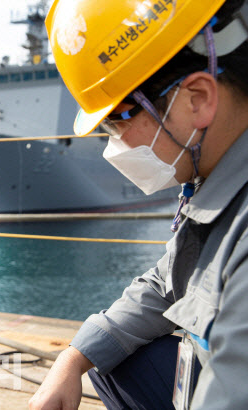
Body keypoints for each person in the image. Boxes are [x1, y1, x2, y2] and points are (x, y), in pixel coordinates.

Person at [29, 0, 248, 408]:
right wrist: (72, 359)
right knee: (110, 357)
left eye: (118, 120)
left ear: (197, 99)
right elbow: (167, 282)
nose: (115, 142)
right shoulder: (218, 190)